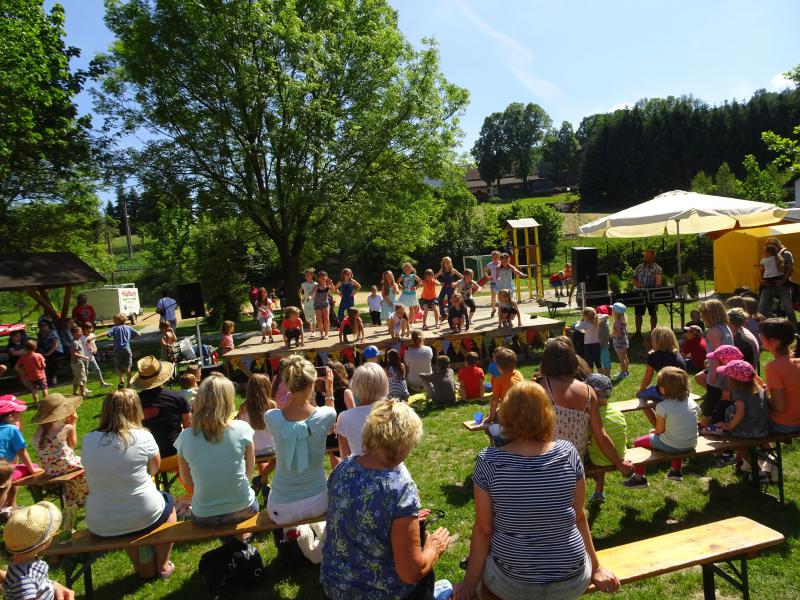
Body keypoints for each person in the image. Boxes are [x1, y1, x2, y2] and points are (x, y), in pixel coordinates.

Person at [455, 381, 620, 600]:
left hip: (512, 584)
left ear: (506, 415)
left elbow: (484, 530)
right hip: (572, 579)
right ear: (547, 414)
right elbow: (579, 516)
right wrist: (596, 568)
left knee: (481, 568)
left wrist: (468, 583)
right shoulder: (568, 453)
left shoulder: (488, 461)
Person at [321, 400, 451, 600]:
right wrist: (433, 548)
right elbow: (411, 572)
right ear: (404, 443)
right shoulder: (400, 488)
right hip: (380, 593)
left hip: (335, 588)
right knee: (424, 575)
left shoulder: (343, 468)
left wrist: (404, 522)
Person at [82, 388, 177, 579]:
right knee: (169, 506)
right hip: (143, 512)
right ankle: (162, 564)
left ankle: (142, 567)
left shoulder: (89, 439)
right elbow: (154, 469)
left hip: (99, 520)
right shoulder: (143, 436)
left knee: (128, 515)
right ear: (135, 409)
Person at [538, 338, 633, 474]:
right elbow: (601, 436)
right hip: (576, 461)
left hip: (549, 460)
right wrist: (619, 463)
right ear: (573, 360)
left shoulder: (543, 386)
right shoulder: (589, 391)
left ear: (546, 362)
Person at [176, 376, 258, 527]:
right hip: (243, 507)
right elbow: (249, 470)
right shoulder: (242, 428)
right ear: (229, 399)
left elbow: (186, 480)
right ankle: (239, 538)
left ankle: (235, 539)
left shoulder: (185, 437)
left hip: (203, 514)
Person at [265, 356, 336, 525]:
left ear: (287, 384)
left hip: (280, 508)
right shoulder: (326, 415)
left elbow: (286, 413)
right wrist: (330, 392)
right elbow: (331, 427)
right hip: (318, 503)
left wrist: (291, 399)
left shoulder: (271, 417)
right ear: (312, 383)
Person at [624, 367, 699, 487]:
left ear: (663, 388)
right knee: (675, 435)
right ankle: (676, 471)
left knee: (638, 442)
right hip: (691, 443)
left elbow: (659, 430)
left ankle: (638, 478)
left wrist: (654, 431)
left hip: (673, 445)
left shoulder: (663, 406)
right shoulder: (691, 402)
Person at [131, 356, 192, 484]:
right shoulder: (177, 397)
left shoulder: (134, 403)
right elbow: (190, 427)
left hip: (146, 460)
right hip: (175, 456)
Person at [2, 501, 75, 600]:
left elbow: (39, 582)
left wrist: (52, 585)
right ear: (43, 544)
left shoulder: (22, 563)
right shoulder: (25, 579)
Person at [31, 393, 88, 507]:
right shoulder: (66, 428)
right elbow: (72, 446)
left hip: (50, 470)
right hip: (67, 466)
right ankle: (83, 498)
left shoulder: (38, 432)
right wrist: (73, 423)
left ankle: (73, 498)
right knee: (87, 464)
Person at [585, 374, 627, 504]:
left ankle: (577, 496)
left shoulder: (591, 416)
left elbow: (589, 438)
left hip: (601, 459)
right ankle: (599, 492)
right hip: (620, 454)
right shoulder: (617, 411)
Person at [336, 363, 389, 458]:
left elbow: (345, 458)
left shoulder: (344, 418)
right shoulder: (396, 412)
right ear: (384, 383)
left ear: (355, 385)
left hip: (359, 467)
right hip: (392, 466)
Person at [636, 327, 687, 424]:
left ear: (656, 341)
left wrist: (640, 390)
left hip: (665, 392)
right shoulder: (678, 355)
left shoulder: (654, 357)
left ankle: (657, 425)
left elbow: (647, 378)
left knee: (642, 396)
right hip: (681, 390)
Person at [759, 318, 800, 433]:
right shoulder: (796, 361)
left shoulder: (773, 367)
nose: (759, 337)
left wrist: (764, 394)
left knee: (743, 418)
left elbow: (779, 407)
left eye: (761, 336)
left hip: (785, 424)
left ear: (773, 341)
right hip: (797, 421)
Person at [698, 299, 734, 428]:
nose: (701, 318)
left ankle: (705, 425)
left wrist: (712, 376)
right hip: (727, 369)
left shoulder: (712, 332)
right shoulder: (726, 328)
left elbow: (719, 354)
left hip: (718, 372)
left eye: (703, 314)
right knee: (719, 400)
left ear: (710, 315)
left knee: (711, 401)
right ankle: (714, 422)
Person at [315, 361, 355, 468]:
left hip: (329, 437)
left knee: (335, 460)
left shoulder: (319, 395)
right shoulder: (345, 392)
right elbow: (353, 415)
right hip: (343, 435)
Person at [0, 396, 37, 513]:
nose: (19, 416)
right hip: (2, 470)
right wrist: (32, 470)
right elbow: (22, 451)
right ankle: (6, 508)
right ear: (10, 416)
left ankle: (11, 506)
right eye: (17, 413)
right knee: (32, 467)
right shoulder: (12, 429)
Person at [239, 374, 276, 483]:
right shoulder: (272, 405)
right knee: (283, 453)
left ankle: (263, 480)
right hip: (271, 449)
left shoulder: (243, 407)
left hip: (252, 450)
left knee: (259, 450)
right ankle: (262, 477)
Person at [758, 238, 796, 324]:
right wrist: (761, 280)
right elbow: (761, 270)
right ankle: (764, 326)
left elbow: (790, 268)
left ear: (778, 245)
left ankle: (794, 327)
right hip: (768, 285)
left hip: (782, 285)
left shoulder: (785, 254)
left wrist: (783, 280)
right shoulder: (766, 254)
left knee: (788, 308)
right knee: (762, 308)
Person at [630, 249, 663, 335]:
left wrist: (656, 295)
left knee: (653, 314)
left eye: (647, 256)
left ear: (653, 257)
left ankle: (653, 332)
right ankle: (638, 333)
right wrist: (638, 285)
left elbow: (658, 282)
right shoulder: (639, 267)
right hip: (640, 294)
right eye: (644, 256)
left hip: (651, 294)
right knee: (638, 314)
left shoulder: (657, 268)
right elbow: (633, 278)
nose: (645, 258)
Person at [105, 312, 141, 387]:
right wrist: (131, 339)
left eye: (114, 320)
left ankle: (121, 379)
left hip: (117, 350)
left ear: (118, 320)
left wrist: (95, 337)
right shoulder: (128, 327)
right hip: (127, 349)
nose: (113, 321)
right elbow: (138, 334)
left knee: (118, 366)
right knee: (128, 367)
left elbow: (107, 334)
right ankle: (129, 384)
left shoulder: (115, 328)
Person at [488, 348, 523, 422]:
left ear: (498, 366)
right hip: (522, 410)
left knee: (493, 416)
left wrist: (491, 417)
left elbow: (494, 400)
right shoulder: (518, 373)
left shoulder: (499, 379)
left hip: (510, 412)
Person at [575, 307, 607, 374]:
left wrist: (577, 323)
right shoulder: (597, 320)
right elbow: (606, 316)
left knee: (589, 365)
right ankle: (603, 377)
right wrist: (597, 315)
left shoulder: (586, 323)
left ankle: (591, 377)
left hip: (588, 346)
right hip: (597, 345)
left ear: (586, 316)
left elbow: (576, 327)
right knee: (598, 363)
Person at [80, 322, 109, 387]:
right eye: (87, 329)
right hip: (84, 357)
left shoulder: (92, 335)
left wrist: (95, 349)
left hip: (91, 356)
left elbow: (93, 344)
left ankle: (102, 383)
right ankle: (84, 388)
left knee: (97, 369)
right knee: (85, 372)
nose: (89, 331)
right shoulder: (80, 337)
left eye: (90, 329)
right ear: (83, 329)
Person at [435, 256, 463, 321]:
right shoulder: (442, 271)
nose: (447, 264)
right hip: (444, 288)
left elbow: (462, 277)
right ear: (443, 264)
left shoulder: (453, 270)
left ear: (451, 263)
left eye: (449, 262)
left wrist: (456, 283)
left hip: (451, 288)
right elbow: (434, 278)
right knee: (440, 300)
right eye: (446, 263)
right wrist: (439, 283)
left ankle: (451, 315)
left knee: (451, 301)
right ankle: (443, 315)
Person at [37, 320, 63, 387]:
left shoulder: (53, 333)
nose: (42, 327)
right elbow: (40, 344)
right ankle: (46, 378)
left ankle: (53, 377)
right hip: (46, 351)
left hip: (56, 350)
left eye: (44, 325)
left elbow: (55, 345)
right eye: (40, 326)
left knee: (50, 360)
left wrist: (48, 353)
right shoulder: (41, 334)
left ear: (48, 325)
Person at [67, 325, 89, 398]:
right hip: (77, 363)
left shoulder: (78, 340)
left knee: (77, 377)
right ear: (74, 333)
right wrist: (84, 357)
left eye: (81, 331)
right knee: (82, 377)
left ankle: (75, 392)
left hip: (77, 362)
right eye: (79, 331)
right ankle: (83, 393)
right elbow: (74, 353)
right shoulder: (75, 342)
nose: (81, 332)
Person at [398, 263, 422, 327]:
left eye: (408, 269)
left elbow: (420, 282)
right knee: (401, 307)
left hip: (412, 294)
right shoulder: (402, 276)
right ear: (404, 270)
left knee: (411, 309)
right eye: (406, 269)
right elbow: (397, 282)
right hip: (405, 295)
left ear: (411, 269)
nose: (407, 270)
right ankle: (403, 320)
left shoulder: (413, 276)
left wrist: (416, 287)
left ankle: (411, 322)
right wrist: (401, 287)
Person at [312, 271, 334, 340]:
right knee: (319, 320)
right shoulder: (317, 286)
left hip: (325, 304)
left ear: (326, 277)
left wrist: (331, 283)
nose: (322, 278)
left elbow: (333, 290)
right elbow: (313, 293)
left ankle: (326, 334)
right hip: (317, 304)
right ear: (318, 279)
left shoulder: (328, 286)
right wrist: (310, 297)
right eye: (320, 277)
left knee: (326, 319)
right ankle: (322, 334)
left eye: (324, 276)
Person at [611, 302, 629, 379]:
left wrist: (611, 335)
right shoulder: (622, 319)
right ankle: (626, 371)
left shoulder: (617, 321)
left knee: (621, 359)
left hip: (619, 343)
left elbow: (617, 333)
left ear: (615, 312)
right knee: (625, 357)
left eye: (612, 310)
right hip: (624, 342)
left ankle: (622, 373)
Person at [299, 269, 317, 338]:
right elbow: (299, 292)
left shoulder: (316, 284)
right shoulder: (303, 284)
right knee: (307, 317)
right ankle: (310, 323)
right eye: (306, 275)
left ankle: (313, 331)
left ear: (312, 275)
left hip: (314, 303)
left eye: (308, 275)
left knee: (313, 316)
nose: (307, 276)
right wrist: (301, 298)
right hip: (306, 303)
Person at [483, 250, 501, 318]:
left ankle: (501, 310)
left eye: (497, 257)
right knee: (493, 296)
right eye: (493, 257)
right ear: (492, 258)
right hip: (493, 283)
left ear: (499, 257)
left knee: (500, 297)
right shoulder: (490, 264)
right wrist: (487, 276)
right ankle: (493, 309)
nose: (495, 258)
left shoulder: (501, 263)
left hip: (500, 283)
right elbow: (483, 270)